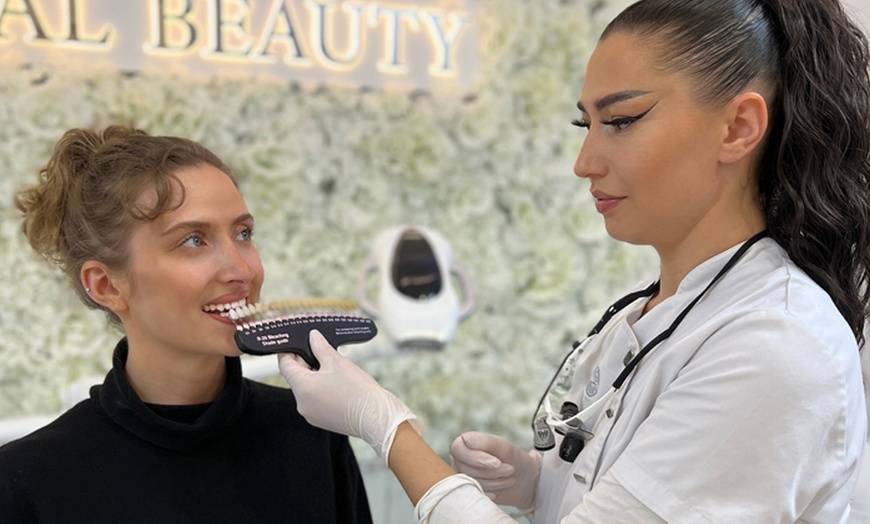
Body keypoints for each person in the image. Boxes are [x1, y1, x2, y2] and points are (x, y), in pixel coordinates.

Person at [278, 0, 870, 522]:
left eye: (620, 121)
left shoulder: (776, 344)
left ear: (738, 127)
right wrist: (539, 484)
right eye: (585, 124)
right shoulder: (647, 309)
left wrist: (389, 430)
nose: (584, 161)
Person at [0, 126, 373, 523]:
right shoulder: (28, 481)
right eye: (193, 240)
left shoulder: (313, 436)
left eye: (243, 233)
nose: (242, 270)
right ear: (106, 285)